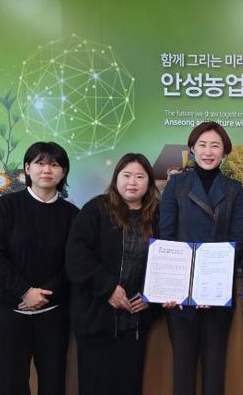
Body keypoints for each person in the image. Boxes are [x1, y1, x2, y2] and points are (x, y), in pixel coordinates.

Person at [0, 142, 78, 395]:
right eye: (40, 163)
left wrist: (43, 294)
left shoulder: (72, 214)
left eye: (54, 164)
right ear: (27, 168)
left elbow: (74, 262)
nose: (47, 170)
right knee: (12, 384)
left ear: (63, 172)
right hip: (8, 312)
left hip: (53, 313)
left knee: (53, 384)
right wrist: (25, 291)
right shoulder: (5, 206)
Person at [159, 121, 243, 395]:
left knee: (215, 368)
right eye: (202, 145)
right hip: (181, 294)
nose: (208, 152)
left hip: (217, 293)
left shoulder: (234, 189)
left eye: (215, 146)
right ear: (192, 149)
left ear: (224, 152)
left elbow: (238, 240)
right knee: (183, 369)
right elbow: (167, 236)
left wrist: (211, 286)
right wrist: (178, 286)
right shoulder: (176, 185)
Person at [65, 153, 160, 395]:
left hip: (134, 322)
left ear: (149, 182)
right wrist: (108, 289)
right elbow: (77, 256)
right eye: (126, 175)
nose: (132, 182)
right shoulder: (96, 209)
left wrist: (151, 295)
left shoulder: (158, 215)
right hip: (96, 318)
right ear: (116, 178)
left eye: (140, 177)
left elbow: (165, 262)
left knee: (128, 385)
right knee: (95, 385)